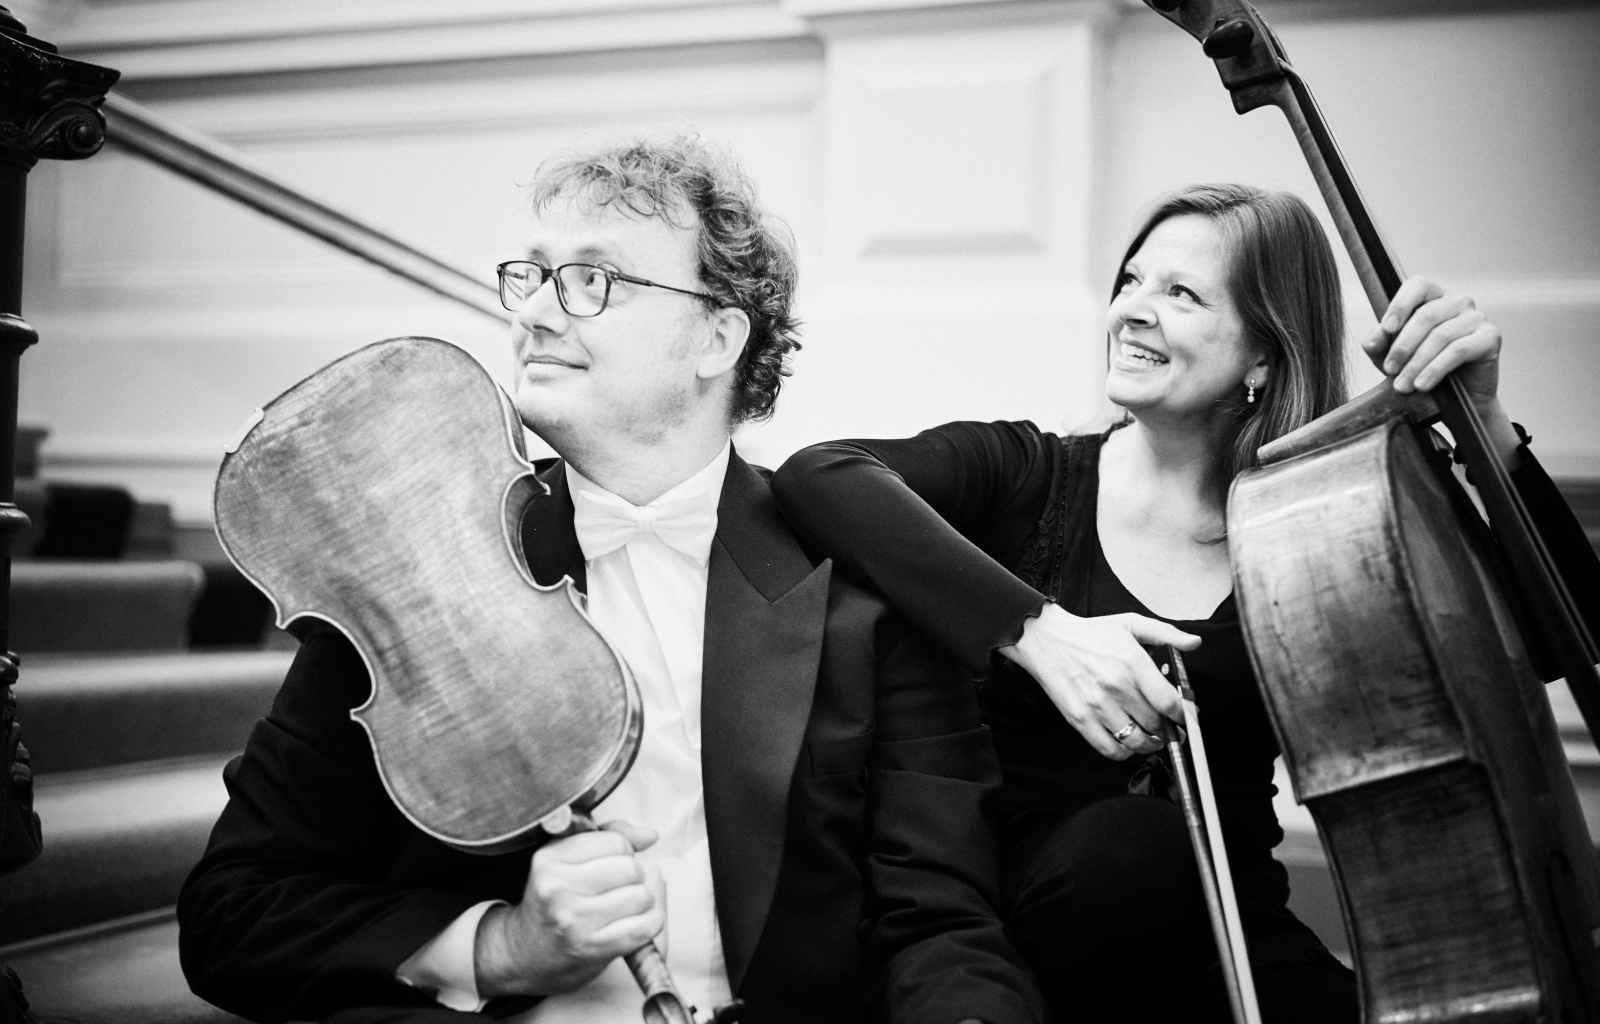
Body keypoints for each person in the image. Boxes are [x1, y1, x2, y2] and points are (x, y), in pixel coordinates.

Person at [177, 134, 1043, 1024]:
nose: (536, 313)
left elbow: (939, 925)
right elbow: (232, 913)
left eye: (594, 279)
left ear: (717, 337)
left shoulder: (863, 593)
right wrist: (501, 947)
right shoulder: (413, 568)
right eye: (533, 276)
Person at [771, 183, 1600, 1023]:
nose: (1132, 309)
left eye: (1181, 293)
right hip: (1026, 925)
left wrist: (1487, 427)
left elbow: (1557, 639)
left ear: (1264, 355)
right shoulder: (1028, 475)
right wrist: (1035, 629)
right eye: (1132, 280)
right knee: (1131, 852)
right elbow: (820, 476)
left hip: (1225, 932)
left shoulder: (1323, 526)